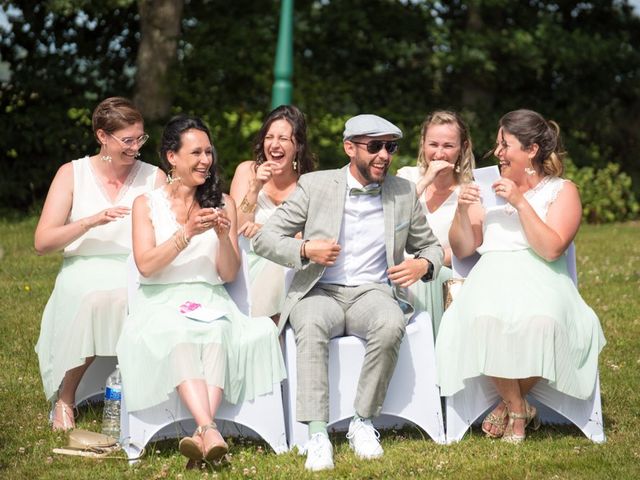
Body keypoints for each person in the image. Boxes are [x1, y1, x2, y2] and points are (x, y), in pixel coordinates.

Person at [254, 114, 443, 471]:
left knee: (390, 323)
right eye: (374, 146)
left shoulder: (403, 192)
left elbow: (431, 247)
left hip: (371, 292)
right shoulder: (315, 185)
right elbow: (264, 238)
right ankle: (317, 434)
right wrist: (306, 249)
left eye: (390, 146)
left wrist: (422, 265)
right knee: (309, 325)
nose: (384, 155)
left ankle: (362, 422)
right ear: (350, 148)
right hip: (319, 289)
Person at [115, 115, 285, 464]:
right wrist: (187, 233)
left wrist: (224, 237)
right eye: (196, 152)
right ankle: (209, 428)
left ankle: (202, 434)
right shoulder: (145, 205)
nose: (206, 160)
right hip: (160, 300)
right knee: (179, 334)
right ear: (172, 157)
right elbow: (146, 264)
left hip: (210, 298)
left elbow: (228, 273)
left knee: (219, 332)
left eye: (209, 152)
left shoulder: (223, 202)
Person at [435, 109, 606, 443]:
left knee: (544, 322)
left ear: (531, 150)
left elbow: (552, 249)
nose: (498, 152)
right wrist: (460, 209)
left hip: (542, 275)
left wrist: (519, 201)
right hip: (491, 274)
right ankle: (517, 411)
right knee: (481, 320)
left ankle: (506, 408)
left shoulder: (562, 190)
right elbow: (465, 248)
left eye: (505, 144)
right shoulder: (486, 186)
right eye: (498, 144)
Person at [34, 97, 165, 431]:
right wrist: (90, 222)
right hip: (84, 266)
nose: (136, 147)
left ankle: (153, 397)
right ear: (102, 136)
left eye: (140, 139)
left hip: (136, 266)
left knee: (133, 295)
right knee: (91, 297)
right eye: (128, 140)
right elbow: (42, 242)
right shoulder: (72, 173)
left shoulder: (153, 177)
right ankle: (66, 397)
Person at [229, 105, 314, 319]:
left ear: (298, 145)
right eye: (269, 137)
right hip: (247, 262)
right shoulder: (247, 170)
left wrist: (265, 231)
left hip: (287, 267)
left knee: (279, 270)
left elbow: (307, 238)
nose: (274, 145)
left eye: (283, 139)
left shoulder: (309, 184)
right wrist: (255, 188)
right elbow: (236, 227)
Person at [396, 110, 474, 336]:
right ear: (423, 144)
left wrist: (427, 263)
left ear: (463, 147)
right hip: (399, 268)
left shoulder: (469, 189)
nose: (439, 153)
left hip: (443, 273)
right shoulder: (407, 177)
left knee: (426, 277)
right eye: (433, 144)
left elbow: (469, 245)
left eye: (448, 146)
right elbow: (392, 221)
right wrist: (426, 180)